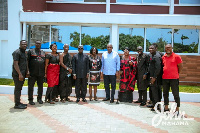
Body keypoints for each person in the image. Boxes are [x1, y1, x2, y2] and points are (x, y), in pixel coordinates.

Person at [162, 44, 183, 113]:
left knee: (175, 93)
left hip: (174, 78)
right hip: (165, 78)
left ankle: (177, 108)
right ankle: (166, 107)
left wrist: (176, 73)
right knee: (165, 93)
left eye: (169, 48)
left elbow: (180, 67)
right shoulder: (163, 57)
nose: (168, 49)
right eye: (166, 48)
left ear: (172, 48)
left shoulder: (177, 57)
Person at [12, 40, 29, 109]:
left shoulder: (24, 53)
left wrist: (27, 71)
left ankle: (18, 102)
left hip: (23, 73)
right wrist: (20, 74)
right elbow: (15, 64)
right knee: (18, 89)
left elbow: (25, 62)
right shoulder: (17, 52)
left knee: (20, 88)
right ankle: (17, 104)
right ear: (20, 45)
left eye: (25, 44)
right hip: (18, 74)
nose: (24, 45)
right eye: (23, 44)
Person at [27, 40, 45, 105]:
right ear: (35, 44)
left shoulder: (43, 52)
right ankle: (30, 99)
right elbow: (27, 61)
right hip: (32, 73)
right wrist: (28, 71)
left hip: (41, 73)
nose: (38, 45)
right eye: (37, 43)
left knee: (40, 87)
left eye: (39, 44)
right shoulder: (31, 51)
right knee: (31, 86)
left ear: (41, 45)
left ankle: (39, 99)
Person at [144, 45, 162, 111]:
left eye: (152, 48)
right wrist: (146, 73)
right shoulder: (151, 55)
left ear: (156, 48)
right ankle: (154, 104)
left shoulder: (157, 56)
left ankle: (157, 107)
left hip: (156, 78)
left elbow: (158, 68)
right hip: (151, 76)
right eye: (149, 48)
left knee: (156, 92)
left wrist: (154, 77)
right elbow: (150, 66)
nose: (150, 49)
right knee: (152, 91)